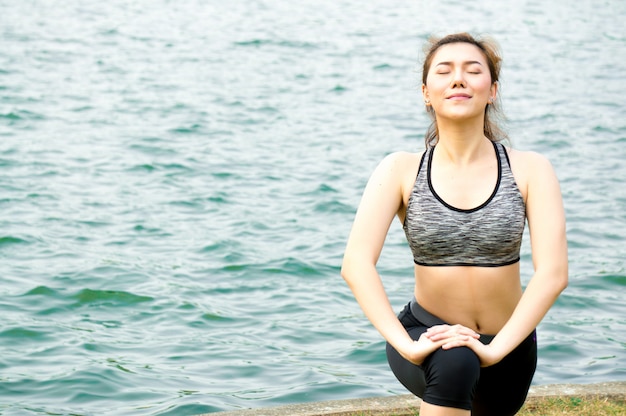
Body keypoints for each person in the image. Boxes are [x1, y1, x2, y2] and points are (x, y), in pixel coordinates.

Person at [341, 33, 568, 416]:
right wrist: (407, 345)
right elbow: (356, 265)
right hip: (427, 337)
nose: (458, 79)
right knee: (455, 359)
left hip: (508, 345)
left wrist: (495, 350)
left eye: (472, 70)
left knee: (471, 374)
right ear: (426, 93)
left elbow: (553, 273)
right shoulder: (400, 169)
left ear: (492, 90)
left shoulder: (530, 169)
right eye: (444, 71)